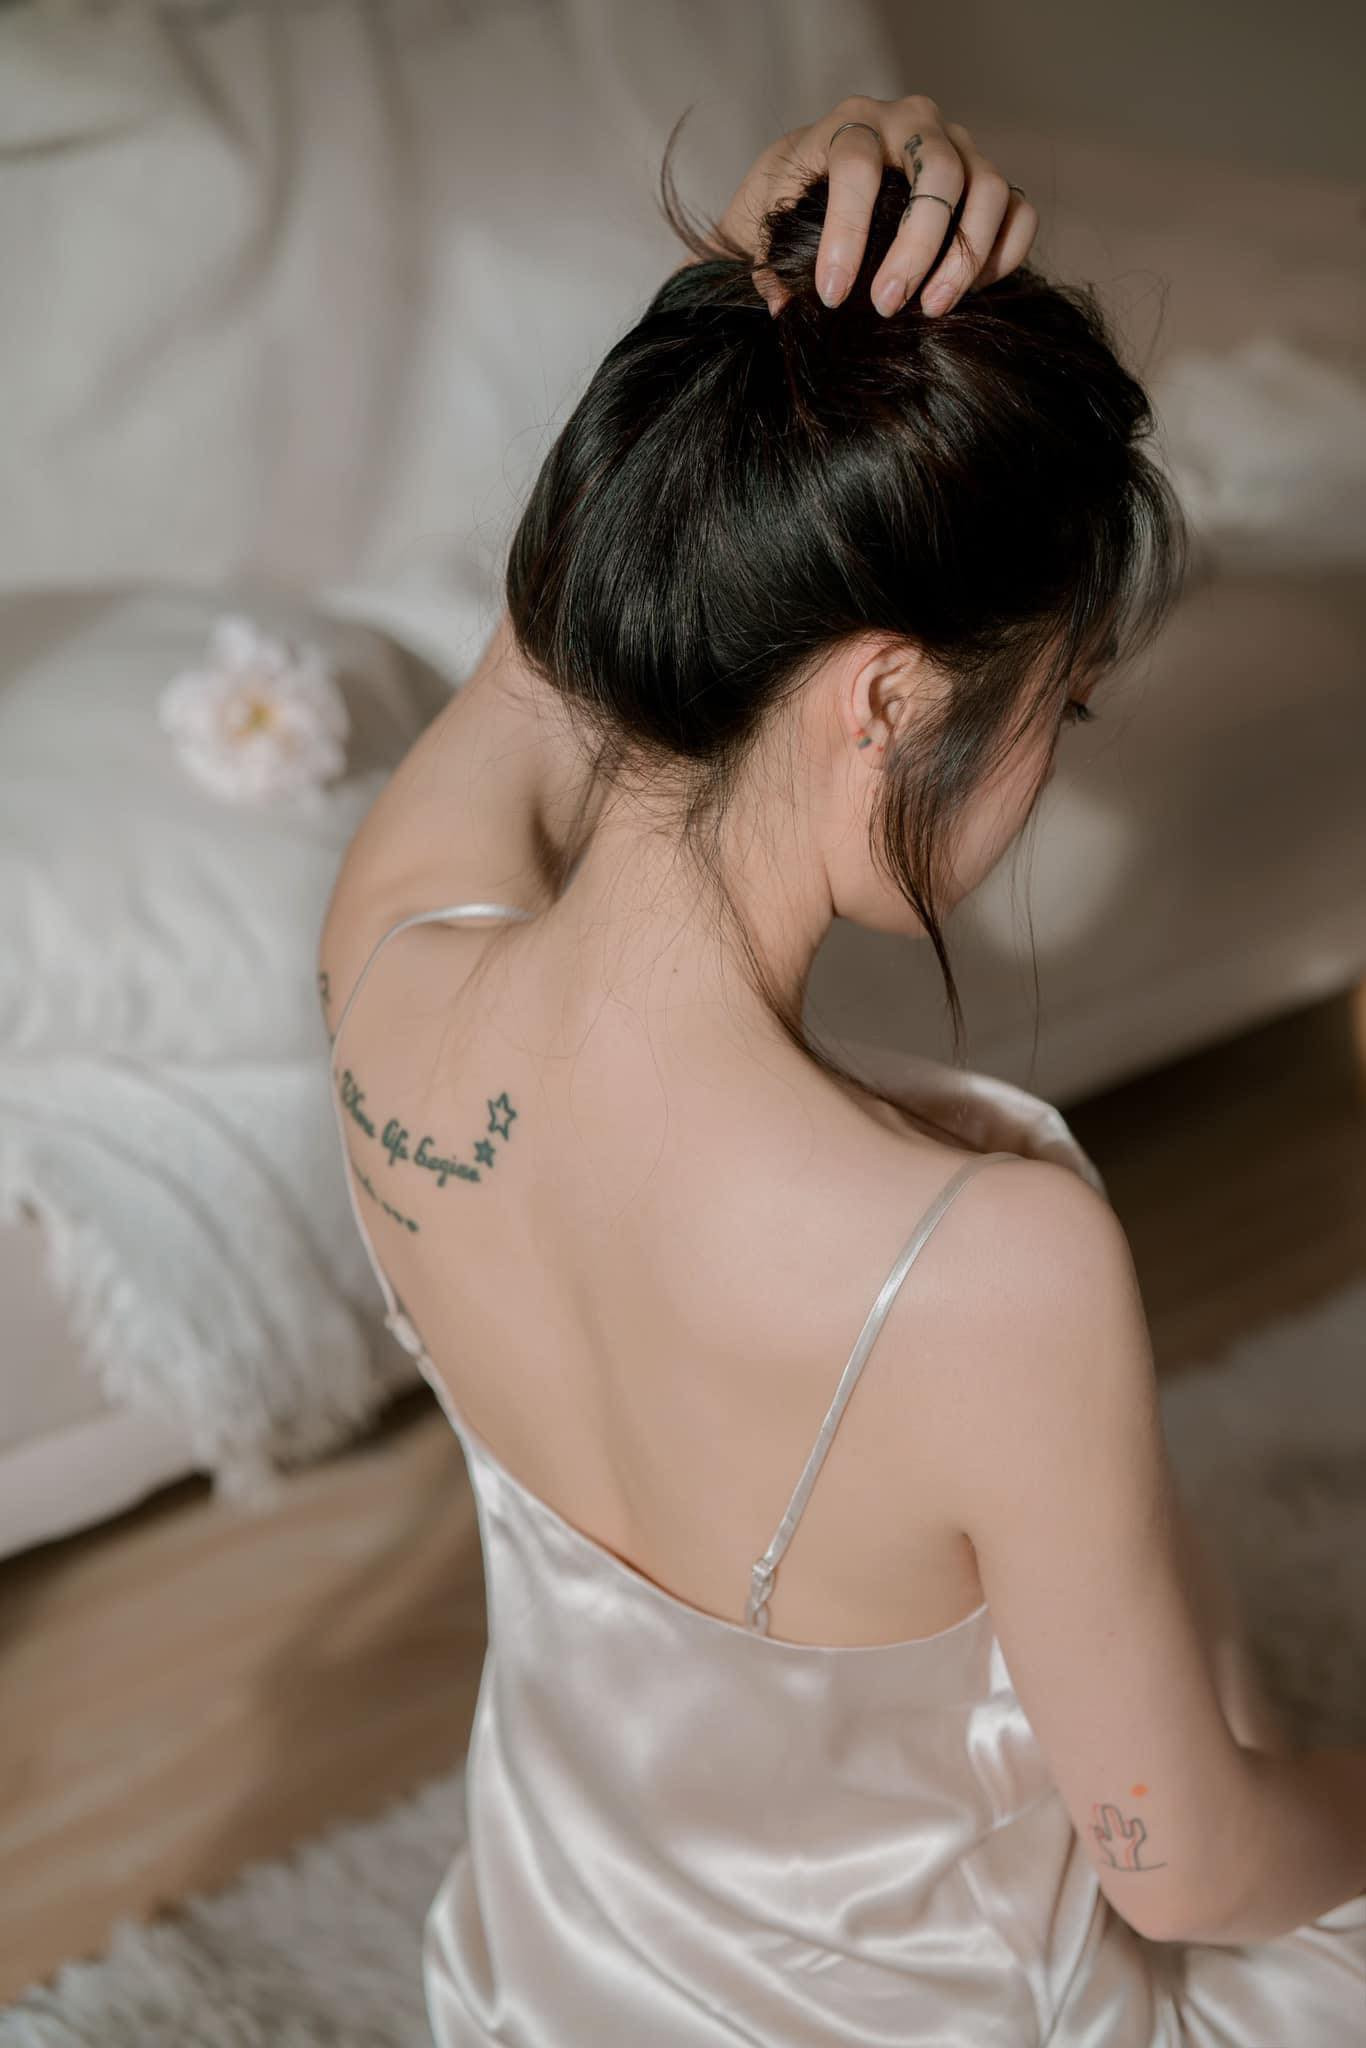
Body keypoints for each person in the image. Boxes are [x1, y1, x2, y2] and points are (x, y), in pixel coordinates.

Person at [319, 94, 1366, 2046]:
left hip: (549, 1988)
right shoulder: (981, 1265)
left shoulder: (387, 951)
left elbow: (544, 651)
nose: (1042, 768)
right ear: (884, 697)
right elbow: (1179, 1866)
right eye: (1058, 703)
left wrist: (743, 310)